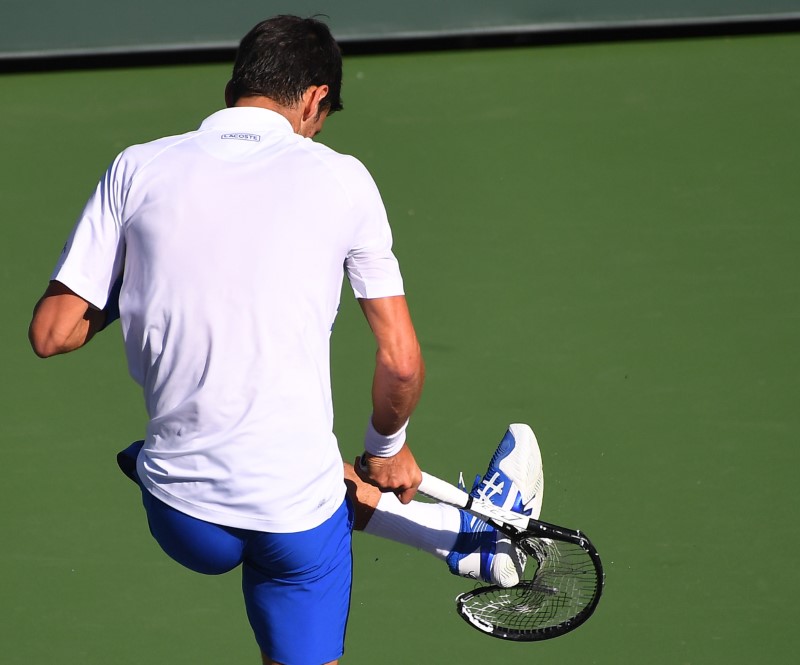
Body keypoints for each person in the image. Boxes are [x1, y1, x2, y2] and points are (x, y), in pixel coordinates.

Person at [28, 15, 543, 665]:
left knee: (189, 455)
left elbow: (51, 333)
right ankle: (465, 536)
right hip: (296, 521)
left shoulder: (137, 168)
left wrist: (133, 268)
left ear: (234, 87)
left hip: (182, 519)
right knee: (301, 476)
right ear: (315, 99)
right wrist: (388, 449)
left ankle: (463, 538)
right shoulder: (343, 179)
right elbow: (401, 363)